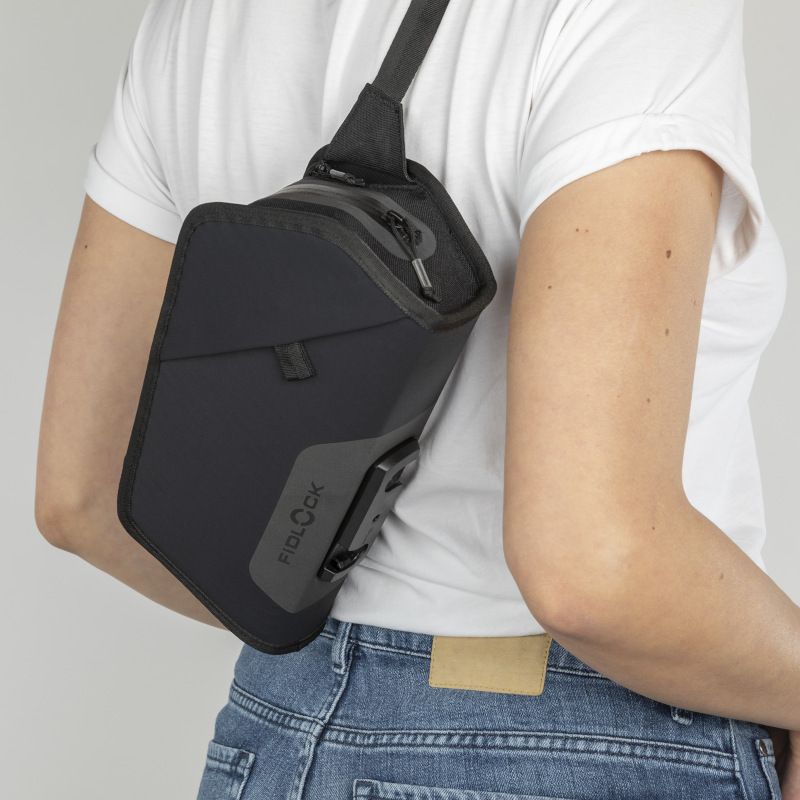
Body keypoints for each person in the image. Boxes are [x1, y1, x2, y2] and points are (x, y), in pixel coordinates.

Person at [34, 1, 798, 798]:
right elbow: (594, 565)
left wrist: (339, 640)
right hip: (586, 742)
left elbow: (82, 496)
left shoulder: (196, 20)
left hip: (274, 730)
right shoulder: (627, 15)